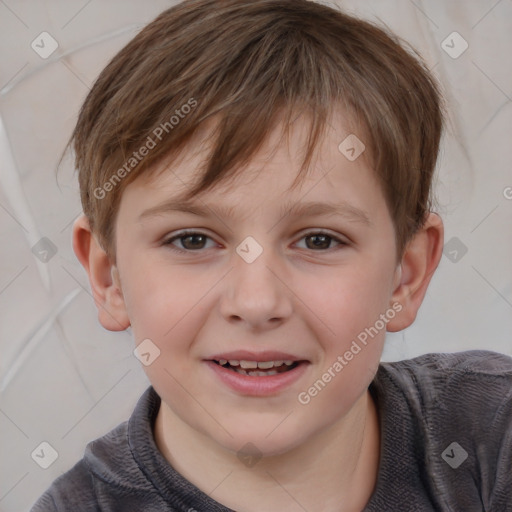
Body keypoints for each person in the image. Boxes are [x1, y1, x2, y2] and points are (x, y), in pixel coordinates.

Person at [31, 0, 512, 510]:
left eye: (319, 240)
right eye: (192, 240)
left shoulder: (492, 433)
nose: (257, 302)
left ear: (406, 277)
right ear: (109, 277)